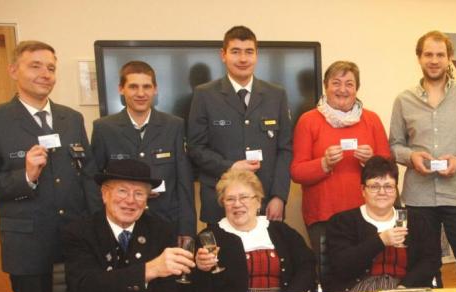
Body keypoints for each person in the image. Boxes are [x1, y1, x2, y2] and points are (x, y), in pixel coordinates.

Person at [0, 40, 102, 292]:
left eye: (51, 68)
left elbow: (88, 175)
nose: (45, 74)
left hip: (75, 237)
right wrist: (25, 176)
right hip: (28, 244)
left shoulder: (71, 119)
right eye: (35, 66)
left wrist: (96, 224)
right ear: (13, 71)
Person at [389, 31, 456, 287]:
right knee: (422, 266)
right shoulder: (404, 100)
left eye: (440, 55)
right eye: (428, 54)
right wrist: (411, 156)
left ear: (450, 58)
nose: (434, 60)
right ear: (419, 57)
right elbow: (394, 145)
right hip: (419, 197)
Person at [59, 159, 195, 292]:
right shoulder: (78, 232)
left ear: (147, 200)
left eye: (139, 193)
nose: (130, 200)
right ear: (104, 194)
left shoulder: (162, 230)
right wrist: (149, 269)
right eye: (122, 191)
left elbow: (173, 288)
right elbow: (86, 286)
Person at [188, 25, 292, 224]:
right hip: (220, 201)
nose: (243, 59)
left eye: (249, 52)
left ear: (256, 55)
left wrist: (279, 196)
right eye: (235, 52)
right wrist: (231, 166)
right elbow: (196, 148)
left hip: (265, 201)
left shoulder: (276, 95)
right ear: (223, 55)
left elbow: (285, 149)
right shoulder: (204, 94)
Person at [291, 60, 391, 264]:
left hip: (367, 213)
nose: (342, 89)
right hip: (324, 215)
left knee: (368, 269)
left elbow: (388, 168)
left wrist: (371, 161)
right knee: (332, 274)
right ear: (326, 86)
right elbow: (297, 172)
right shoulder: (308, 120)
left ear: (357, 88)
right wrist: (324, 164)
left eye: (349, 84)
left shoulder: (372, 120)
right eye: (336, 83)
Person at [91, 61, 196, 238]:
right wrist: (100, 228)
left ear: (155, 89)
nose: (141, 93)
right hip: (121, 226)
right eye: (133, 87)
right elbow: (95, 183)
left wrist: (187, 232)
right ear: (121, 89)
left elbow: (184, 184)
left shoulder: (174, 125)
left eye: (147, 86)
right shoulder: (104, 128)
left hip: (165, 223)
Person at [190, 169, 315, 292]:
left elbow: (306, 266)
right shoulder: (208, 237)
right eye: (230, 199)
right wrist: (200, 269)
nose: (237, 204)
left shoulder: (281, 231)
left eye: (243, 197)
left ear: (258, 201)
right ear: (223, 203)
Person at [323, 156, 440, 292]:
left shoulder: (415, 220)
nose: (382, 192)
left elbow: (431, 260)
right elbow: (341, 266)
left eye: (388, 186)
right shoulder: (343, 221)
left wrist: (405, 287)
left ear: (396, 190)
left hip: (405, 289)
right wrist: (381, 241)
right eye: (374, 186)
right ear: (363, 190)